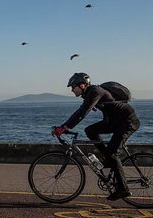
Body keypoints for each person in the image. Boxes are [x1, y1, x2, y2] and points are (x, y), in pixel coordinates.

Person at [53, 73, 141, 201]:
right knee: (90, 130)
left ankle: (123, 189)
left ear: (82, 85)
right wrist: (64, 125)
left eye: (73, 87)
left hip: (127, 122)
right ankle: (108, 158)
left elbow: (82, 112)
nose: (72, 90)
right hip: (114, 122)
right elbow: (80, 110)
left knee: (113, 154)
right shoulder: (90, 93)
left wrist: (65, 127)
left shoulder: (95, 91)